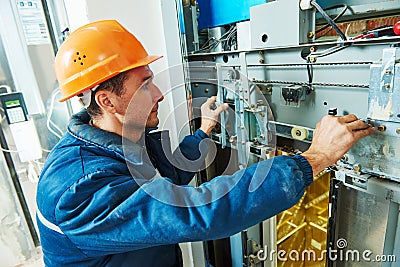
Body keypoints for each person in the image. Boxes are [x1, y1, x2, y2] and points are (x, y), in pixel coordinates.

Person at [36, 20, 374, 267]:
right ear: (107, 102)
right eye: (143, 86)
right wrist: (316, 157)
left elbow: (168, 168)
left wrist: (205, 130)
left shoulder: (117, 141)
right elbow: (198, 211)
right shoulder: (78, 189)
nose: (158, 95)